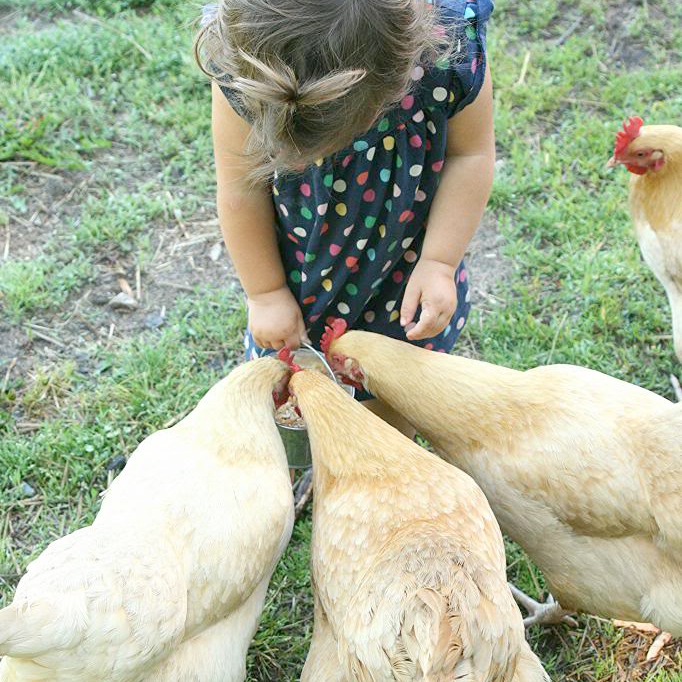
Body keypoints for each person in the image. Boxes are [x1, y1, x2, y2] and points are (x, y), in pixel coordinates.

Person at [197, 0, 495, 432]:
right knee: (295, 387)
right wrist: (266, 292)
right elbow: (240, 186)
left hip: (403, 264)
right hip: (301, 270)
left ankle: (387, 455)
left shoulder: (448, 51)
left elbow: (470, 154)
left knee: (397, 391)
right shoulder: (245, 66)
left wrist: (439, 262)